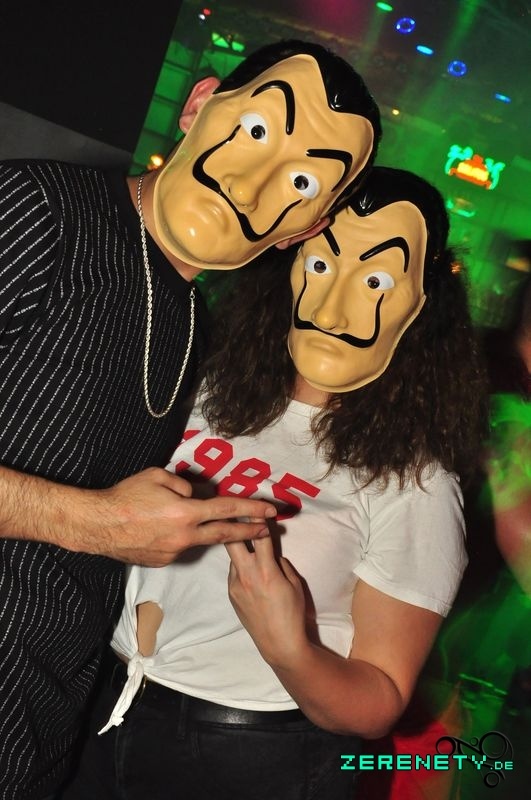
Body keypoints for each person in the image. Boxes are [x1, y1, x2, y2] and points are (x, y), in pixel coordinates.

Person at [0, 39, 381, 800]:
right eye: (257, 131)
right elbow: (94, 525)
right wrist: (92, 522)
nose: (253, 183)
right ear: (200, 104)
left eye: (302, 181)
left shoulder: (194, 325)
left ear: (303, 228)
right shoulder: (37, 210)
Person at [61, 167, 488, 800]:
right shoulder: (205, 385)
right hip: (101, 709)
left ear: (420, 305)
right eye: (321, 265)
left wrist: (289, 645)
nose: (335, 305)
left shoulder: (412, 477)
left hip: (256, 758)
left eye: (375, 280)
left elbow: (379, 703)